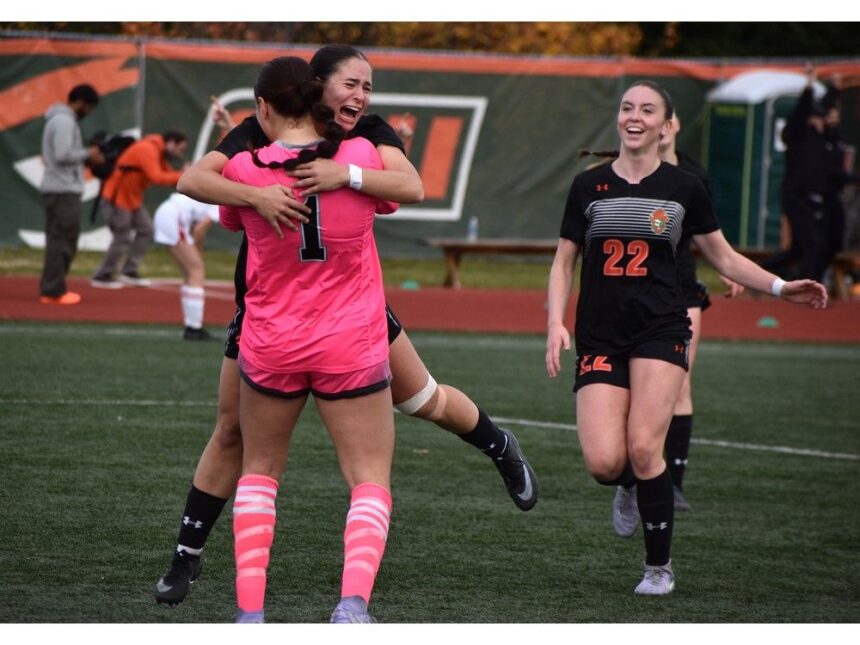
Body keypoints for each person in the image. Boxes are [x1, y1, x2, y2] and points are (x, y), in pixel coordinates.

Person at [153, 44, 538, 609]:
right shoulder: (261, 128)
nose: (360, 96)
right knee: (231, 430)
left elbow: (409, 186)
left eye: (367, 87)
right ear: (314, 86)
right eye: (350, 84)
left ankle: (499, 445)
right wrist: (259, 195)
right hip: (267, 306)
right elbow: (197, 177)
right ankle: (187, 555)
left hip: (351, 308)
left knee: (423, 400)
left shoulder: (367, 136)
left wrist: (347, 174)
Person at [546, 80, 827, 596]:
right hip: (601, 336)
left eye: (647, 109)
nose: (634, 116)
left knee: (644, 444)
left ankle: (658, 568)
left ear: (665, 124)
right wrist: (554, 324)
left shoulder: (684, 187)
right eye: (627, 107)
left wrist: (782, 286)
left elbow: (723, 257)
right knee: (604, 462)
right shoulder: (588, 187)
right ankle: (627, 484)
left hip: (662, 328)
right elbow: (564, 260)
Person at [217, 55, 399, 623]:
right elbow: (399, 192)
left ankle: (251, 614)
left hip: (272, 341)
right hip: (351, 342)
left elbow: (228, 217)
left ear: (263, 108)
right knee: (368, 479)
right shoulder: (359, 156)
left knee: (259, 473)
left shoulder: (244, 172)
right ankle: (351, 606)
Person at [657, 114, 744, 511]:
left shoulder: (693, 176)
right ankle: (635, 472)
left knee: (682, 384)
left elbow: (709, 236)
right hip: (636, 293)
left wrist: (728, 268)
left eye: (662, 117)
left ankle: (673, 483)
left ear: (673, 123)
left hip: (684, 291)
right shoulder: (625, 174)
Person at [91, 130, 189, 288]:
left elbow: (169, 174)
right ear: (171, 142)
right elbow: (157, 176)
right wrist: (183, 175)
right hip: (117, 199)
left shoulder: (157, 151)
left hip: (132, 200)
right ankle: (102, 275)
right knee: (122, 237)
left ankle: (129, 271)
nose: (180, 154)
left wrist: (185, 176)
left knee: (146, 229)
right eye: (180, 149)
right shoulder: (148, 148)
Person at [761, 65, 829, 282]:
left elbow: (828, 112)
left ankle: (761, 271)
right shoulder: (796, 134)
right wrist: (809, 85)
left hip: (808, 197)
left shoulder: (819, 139)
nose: (821, 121)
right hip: (795, 196)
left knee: (798, 249)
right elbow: (801, 112)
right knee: (811, 244)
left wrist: (834, 89)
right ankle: (808, 286)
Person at [38, 84, 103, 305]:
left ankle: (53, 288)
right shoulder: (64, 121)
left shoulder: (60, 120)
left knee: (61, 239)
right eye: (90, 107)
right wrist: (88, 154)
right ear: (82, 102)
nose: (89, 112)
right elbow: (63, 153)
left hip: (60, 187)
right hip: (62, 189)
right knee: (62, 240)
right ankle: (53, 291)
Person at [152, 192, 220, 340]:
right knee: (197, 270)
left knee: (190, 273)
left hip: (167, 212)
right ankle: (194, 328)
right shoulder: (220, 201)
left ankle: (192, 326)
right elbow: (199, 230)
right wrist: (198, 252)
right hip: (173, 216)